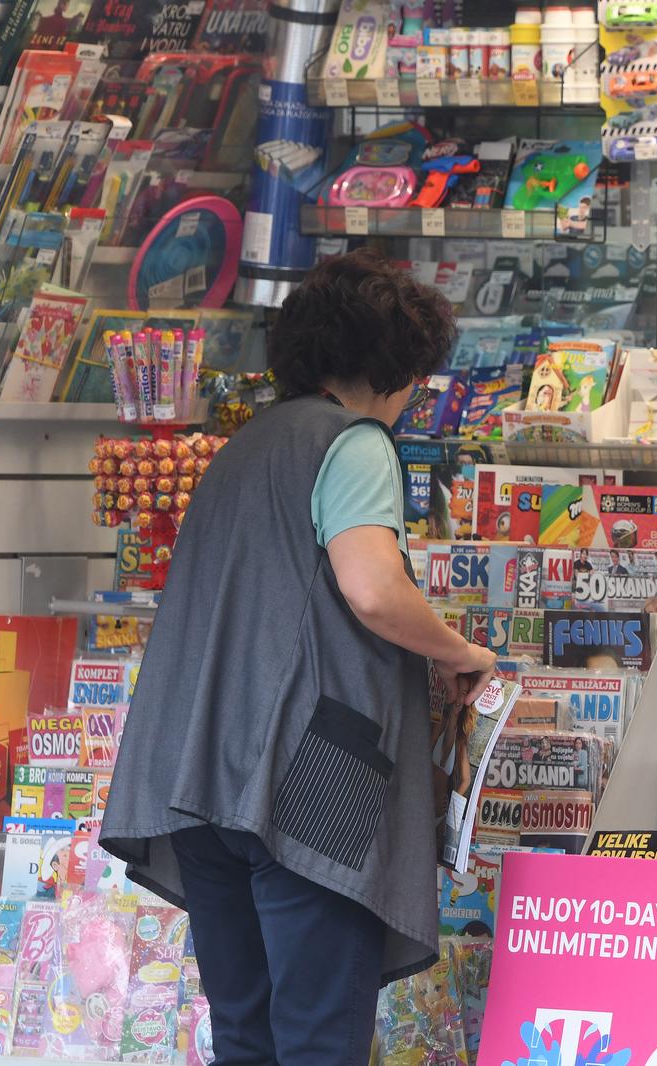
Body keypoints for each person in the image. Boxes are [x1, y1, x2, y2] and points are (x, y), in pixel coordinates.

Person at [100, 250, 500, 1065]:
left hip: (196, 774)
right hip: (307, 775)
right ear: (393, 366)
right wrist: (461, 652)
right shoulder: (353, 444)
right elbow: (373, 590)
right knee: (321, 1034)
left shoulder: (245, 449)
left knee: (245, 1031)